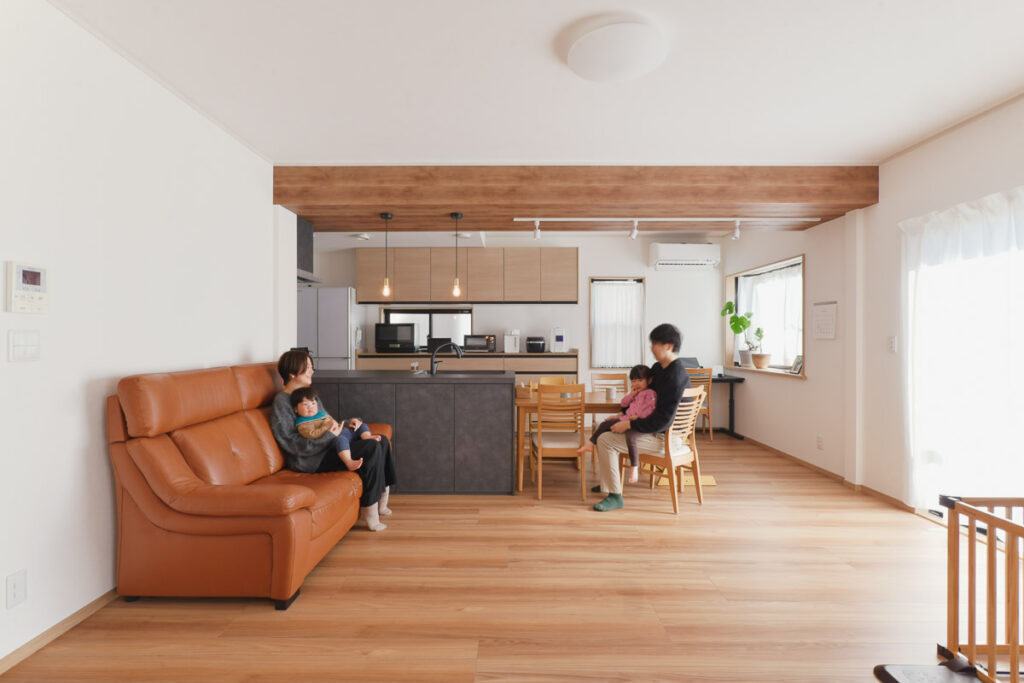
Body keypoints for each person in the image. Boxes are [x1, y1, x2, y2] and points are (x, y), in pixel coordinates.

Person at [270, 349, 397, 531]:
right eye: (308, 368)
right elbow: (291, 443)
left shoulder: (310, 395)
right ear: (292, 373)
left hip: (329, 447)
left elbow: (328, 424)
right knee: (370, 447)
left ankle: (382, 498)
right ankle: (370, 509)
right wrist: (330, 436)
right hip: (312, 459)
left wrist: (349, 425)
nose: (312, 371)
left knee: (381, 440)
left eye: (311, 367)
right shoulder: (282, 402)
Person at [592, 324, 691, 512]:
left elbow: (663, 420)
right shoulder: (658, 369)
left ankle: (615, 496)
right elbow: (641, 398)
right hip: (654, 430)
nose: (651, 348)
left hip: (667, 438)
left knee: (605, 440)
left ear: (668, 346)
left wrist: (629, 424)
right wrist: (625, 411)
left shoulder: (676, 376)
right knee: (604, 429)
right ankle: (608, 485)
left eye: (655, 343)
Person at [577, 365, 655, 484]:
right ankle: (591, 443)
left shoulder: (650, 393)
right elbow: (623, 404)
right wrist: (631, 395)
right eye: (634, 381)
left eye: (640, 380)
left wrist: (638, 417)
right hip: (626, 419)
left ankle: (634, 467)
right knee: (605, 424)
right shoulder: (636, 394)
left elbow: (650, 409)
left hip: (638, 423)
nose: (637, 383)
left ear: (649, 380)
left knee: (631, 438)